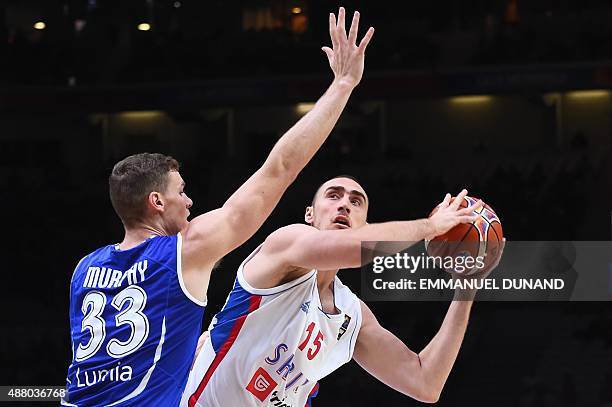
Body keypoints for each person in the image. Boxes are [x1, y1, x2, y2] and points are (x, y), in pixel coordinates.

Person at [63, 8, 375, 406]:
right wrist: (343, 85)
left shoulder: (83, 270)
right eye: (181, 191)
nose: (190, 201)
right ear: (156, 202)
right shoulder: (184, 251)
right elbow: (278, 170)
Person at [183, 176, 503, 406]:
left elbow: (425, 382)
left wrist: (469, 284)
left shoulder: (353, 314)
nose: (344, 205)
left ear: (365, 223)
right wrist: (431, 227)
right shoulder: (284, 249)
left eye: (355, 201)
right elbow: (359, 249)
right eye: (333, 196)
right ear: (310, 214)